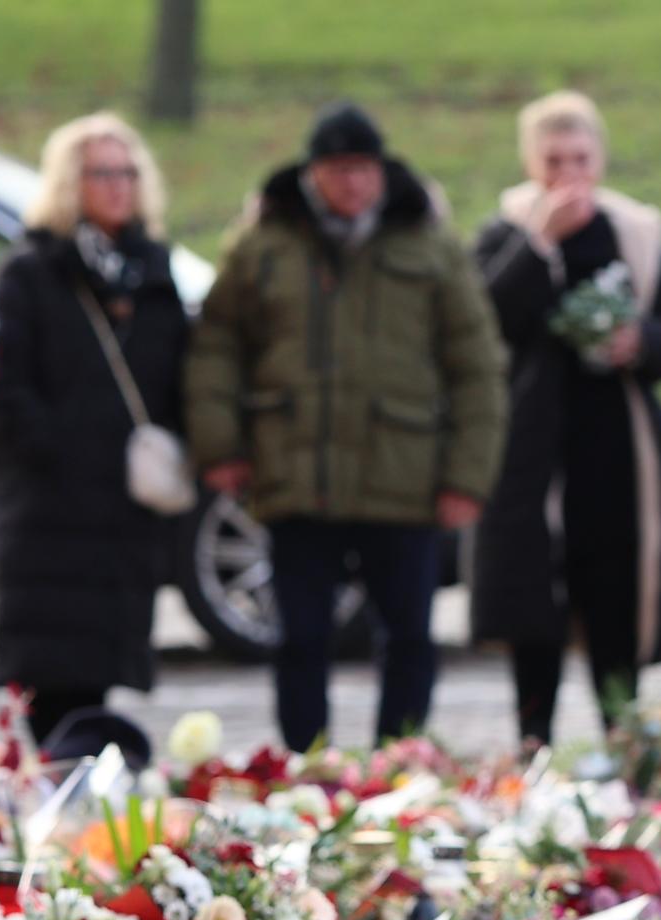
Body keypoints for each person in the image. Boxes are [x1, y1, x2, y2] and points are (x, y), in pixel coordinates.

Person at [186, 102, 505, 754]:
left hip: (404, 480)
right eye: (338, 169)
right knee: (300, 636)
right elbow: (216, 349)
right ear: (314, 173)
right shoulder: (263, 245)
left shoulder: (430, 244)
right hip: (298, 479)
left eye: (363, 169)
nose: (353, 184)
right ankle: (308, 766)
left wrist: (466, 477)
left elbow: (476, 366)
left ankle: (399, 760)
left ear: (382, 171)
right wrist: (219, 446)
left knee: (409, 636)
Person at [469, 92, 661, 749]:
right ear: (529, 163)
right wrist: (541, 242)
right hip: (535, 453)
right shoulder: (506, 232)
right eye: (552, 159)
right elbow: (486, 320)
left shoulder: (635, 233)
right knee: (534, 607)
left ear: (600, 158)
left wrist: (641, 343)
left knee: (617, 603)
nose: (567, 173)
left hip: (617, 455)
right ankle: (533, 742)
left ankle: (623, 744)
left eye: (579, 157)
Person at [0, 113, 192, 743]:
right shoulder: (31, 271)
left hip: (122, 509)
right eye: (102, 172)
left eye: (127, 171)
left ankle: (87, 801)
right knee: (49, 675)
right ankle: (53, 801)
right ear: (70, 181)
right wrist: (63, 451)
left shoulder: (153, 271)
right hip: (48, 508)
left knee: (100, 669)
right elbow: (5, 384)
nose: (118, 185)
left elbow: (176, 373)